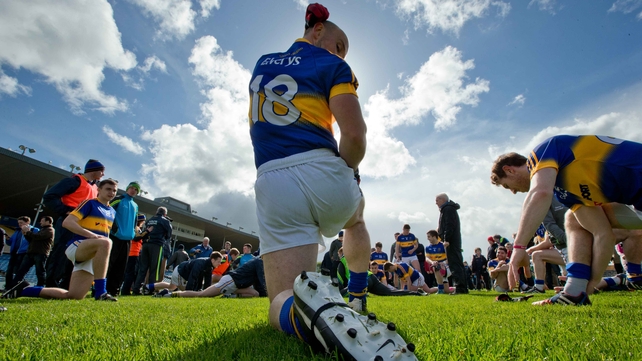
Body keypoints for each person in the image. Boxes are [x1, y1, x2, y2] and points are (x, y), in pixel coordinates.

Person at [248, 4, 414, 359]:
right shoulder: (334, 67)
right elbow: (354, 137)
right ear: (318, 29)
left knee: (283, 300)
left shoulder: (262, 62)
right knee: (356, 219)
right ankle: (355, 296)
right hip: (323, 169)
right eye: (339, 45)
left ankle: (319, 316)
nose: (341, 54)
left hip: (272, 181)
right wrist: (347, 171)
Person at [490, 135, 642, 305]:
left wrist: (519, 247)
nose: (512, 191)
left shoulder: (544, 150)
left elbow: (540, 193)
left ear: (510, 170)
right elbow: (603, 234)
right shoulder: (564, 192)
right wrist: (591, 284)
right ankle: (575, 292)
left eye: (506, 185)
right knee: (574, 219)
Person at [2, 179, 119, 301]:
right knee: (106, 242)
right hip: (78, 246)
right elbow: (67, 222)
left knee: (74, 296)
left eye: (114, 190)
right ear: (99, 190)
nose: (111, 192)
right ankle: (101, 292)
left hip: (92, 253)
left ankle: (23, 290)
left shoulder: (112, 211)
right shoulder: (89, 203)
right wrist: (91, 235)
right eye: (108, 189)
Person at [43, 159, 105, 289]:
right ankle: (51, 284)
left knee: (78, 255)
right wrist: (65, 210)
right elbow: (49, 196)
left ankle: (67, 285)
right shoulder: (74, 181)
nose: (103, 174)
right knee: (61, 252)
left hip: (84, 226)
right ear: (93, 170)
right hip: (70, 223)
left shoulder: (95, 188)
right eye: (101, 171)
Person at [159, 257, 267, 298]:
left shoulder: (260, 263)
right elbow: (262, 281)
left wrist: (264, 294)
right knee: (201, 294)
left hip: (237, 284)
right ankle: (168, 294)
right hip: (230, 282)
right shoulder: (259, 262)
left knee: (255, 294)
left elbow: (259, 283)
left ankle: (229, 296)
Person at [105, 181, 140, 296]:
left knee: (121, 266)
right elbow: (108, 212)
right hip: (115, 237)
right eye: (131, 188)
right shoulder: (119, 199)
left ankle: (114, 290)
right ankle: (102, 289)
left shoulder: (135, 205)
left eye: (136, 189)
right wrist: (114, 229)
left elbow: (135, 221)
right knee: (110, 263)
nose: (133, 190)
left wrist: (133, 233)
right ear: (127, 188)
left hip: (127, 239)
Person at [133, 206, 172, 295]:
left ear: (156, 212)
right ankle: (150, 290)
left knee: (142, 269)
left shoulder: (149, 220)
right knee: (155, 269)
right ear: (165, 214)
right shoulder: (165, 221)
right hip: (157, 245)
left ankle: (136, 289)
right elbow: (169, 235)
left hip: (145, 245)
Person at [436, 193, 467, 295]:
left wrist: (446, 239)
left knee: (455, 264)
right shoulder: (448, 209)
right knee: (456, 263)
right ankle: (462, 287)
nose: (436, 202)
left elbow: (449, 225)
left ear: (442, 200)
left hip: (451, 241)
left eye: (437, 200)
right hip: (453, 240)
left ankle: (460, 288)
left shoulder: (448, 209)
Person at [10, 216, 54, 288]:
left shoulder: (50, 230)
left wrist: (28, 232)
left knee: (40, 271)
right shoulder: (43, 230)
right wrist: (26, 234)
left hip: (40, 253)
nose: (40, 222)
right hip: (31, 252)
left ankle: (40, 286)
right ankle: (14, 285)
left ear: (48, 221)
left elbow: (38, 237)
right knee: (21, 270)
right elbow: (32, 240)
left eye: (42, 221)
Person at [151, 252, 223, 293]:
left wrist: (206, 293)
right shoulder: (200, 263)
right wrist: (190, 292)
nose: (220, 264)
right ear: (213, 260)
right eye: (218, 262)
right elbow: (193, 277)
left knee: (172, 286)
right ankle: (164, 294)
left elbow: (207, 282)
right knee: (186, 292)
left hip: (182, 272)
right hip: (180, 272)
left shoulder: (209, 267)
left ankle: (148, 286)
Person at [4, 216, 36, 288]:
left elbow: (35, 240)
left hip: (24, 253)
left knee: (18, 272)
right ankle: (8, 287)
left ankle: (16, 287)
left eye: (21, 223)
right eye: (19, 223)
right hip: (14, 253)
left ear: (27, 222)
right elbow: (10, 243)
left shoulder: (34, 230)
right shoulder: (17, 231)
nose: (19, 224)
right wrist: (7, 239)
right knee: (9, 271)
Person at [121, 214, 147, 295]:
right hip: (134, 253)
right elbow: (136, 237)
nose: (143, 223)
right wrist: (146, 232)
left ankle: (125, 289)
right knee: (130, 273)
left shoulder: (135, 228)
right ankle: (125, 290)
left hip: (133, 252)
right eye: (143, 221)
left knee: (130, 273)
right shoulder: (136, 228)